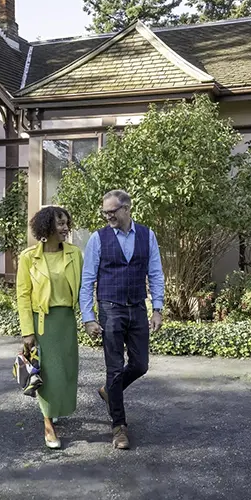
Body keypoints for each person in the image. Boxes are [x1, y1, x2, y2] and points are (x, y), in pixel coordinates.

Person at [80, 189, 165, 449]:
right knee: (114, 369)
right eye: (105, 212)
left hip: (137, 307)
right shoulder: (98, 238)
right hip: (111, 309)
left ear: (127, 209)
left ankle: (109, 392)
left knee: (140, 365)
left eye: (113, 212)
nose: (108, 217)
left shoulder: (147, 235)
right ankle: (119, 427)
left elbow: (156, 273)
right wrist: (88, 317)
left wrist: (158, 308)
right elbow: (87, 280)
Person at [16, 205, 83, 450]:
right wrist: (27, 331)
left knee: (65, 373)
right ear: (47, 227)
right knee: (47, 374)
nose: (66, 228)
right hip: (42, 323)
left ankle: (55, 410)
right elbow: (23, 295)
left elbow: (84, 289)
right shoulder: (28, 257)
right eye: (61, 224)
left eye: (67, 223)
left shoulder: (75, 254)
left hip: (66, 321)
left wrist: (89, 317)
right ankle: (48, 424)